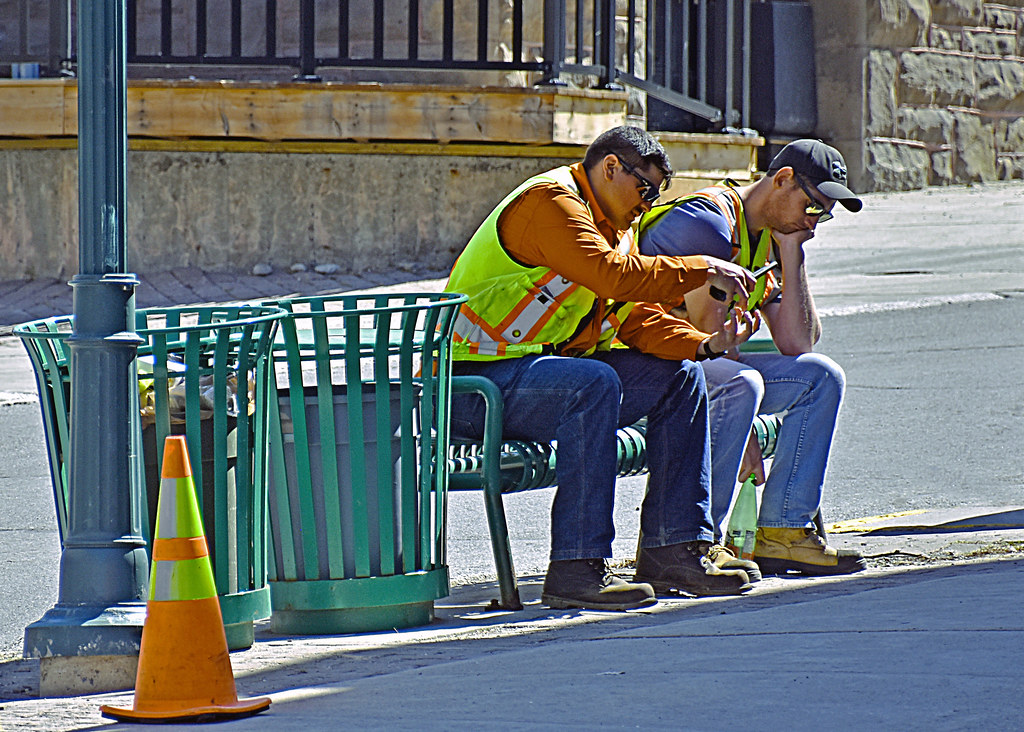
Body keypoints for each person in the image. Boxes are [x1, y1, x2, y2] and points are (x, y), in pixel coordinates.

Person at [444, 125, 764, 611]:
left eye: (657, 193)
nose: (648, 202)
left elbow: (631, 317)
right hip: (472, 386)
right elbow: (609, 275)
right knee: (593, 383)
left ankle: (674, 547)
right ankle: (576, 566)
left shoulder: (619, 228)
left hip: (535, 374)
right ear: (611, 166)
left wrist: (703, 345)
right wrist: (702, 267)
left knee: (680, 376)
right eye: (644, 189)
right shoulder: (552, 202)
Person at [636, 139, 867, 576]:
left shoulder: (772, 236)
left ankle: (783, 530)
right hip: (646, 363)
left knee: (821, 377)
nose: (814, 223)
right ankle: (702, 541)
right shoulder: (710, 224)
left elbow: (798, 344)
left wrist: (792, 251)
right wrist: (748, 438)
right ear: (782, 180)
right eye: (813, 207)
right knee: (743, 384)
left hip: (698, 362)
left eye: (824, 215)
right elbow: (708, 343)